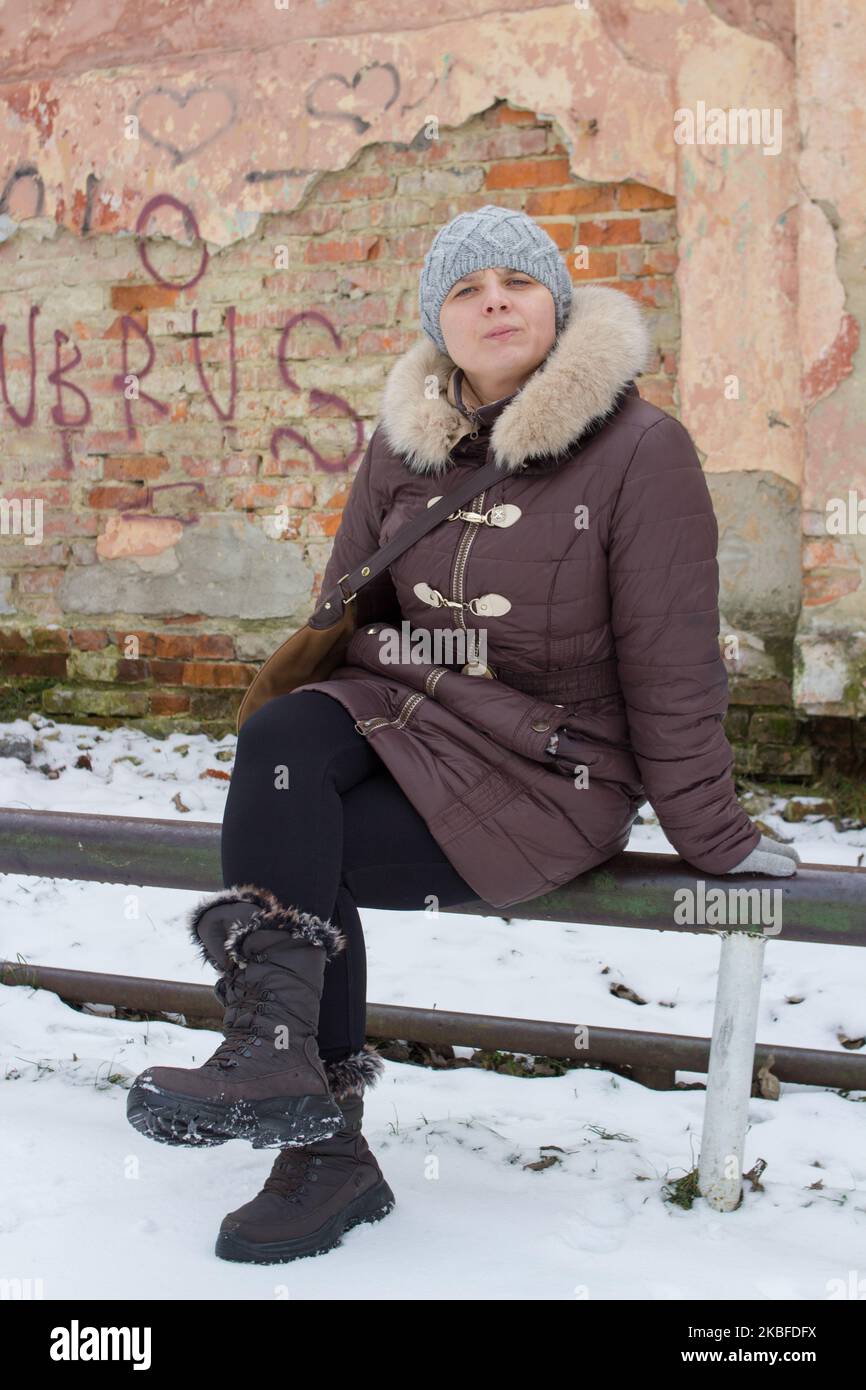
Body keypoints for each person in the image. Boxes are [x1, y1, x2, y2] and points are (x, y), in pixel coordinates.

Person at [126, 204, 799, 1264]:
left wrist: (711, 835)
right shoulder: (404, 443)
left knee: (308, 842)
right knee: (284, 745)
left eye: (516, 282)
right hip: (406, 719)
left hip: (550, 769)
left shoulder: (640, 449)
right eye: (464, 288)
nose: (493, 300)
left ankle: (319, 1141)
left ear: (555, 304)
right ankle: (281, 1074)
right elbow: (346, 610)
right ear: (438, 322)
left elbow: (670, 661)